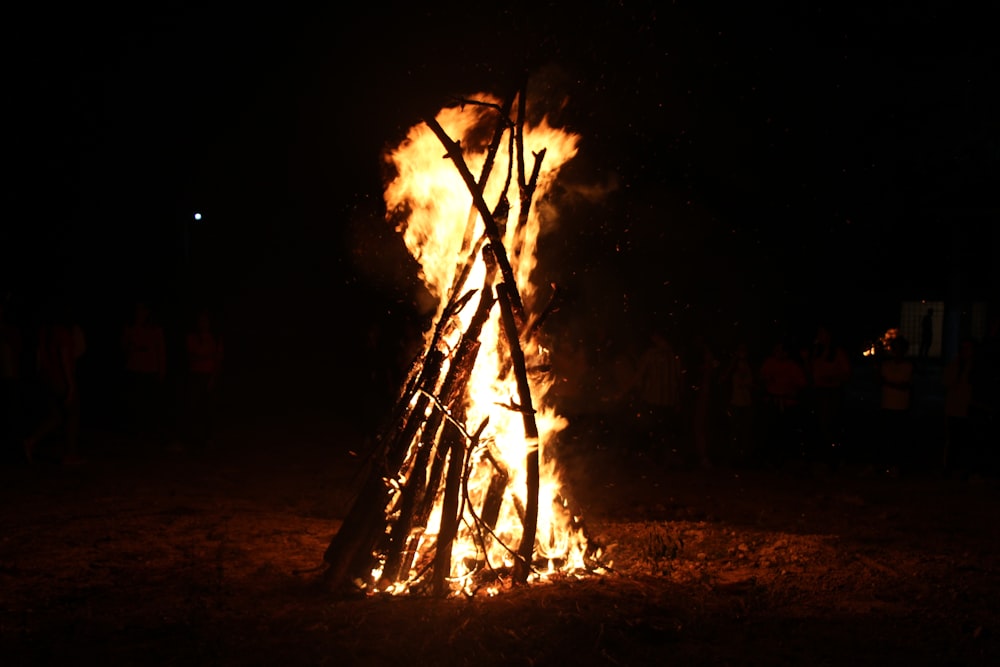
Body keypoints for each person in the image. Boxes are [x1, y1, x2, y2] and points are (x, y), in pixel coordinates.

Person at [23, 301, 86, 465]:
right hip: (60, 378)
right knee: (73, 414)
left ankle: (31, 441)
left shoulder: (45, 332)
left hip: (47, 377)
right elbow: (64, 357)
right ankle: (70, 455)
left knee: (56, 416)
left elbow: (39, 356)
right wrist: (71, 384)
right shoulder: (63, 333)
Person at [629, 328, 682, 460]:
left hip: (653, 399)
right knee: (667, 431)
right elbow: (680, 378)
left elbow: (639, 376)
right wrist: (679, 399)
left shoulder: (651, 354)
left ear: (656, 337)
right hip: (670, 400)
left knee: (655, 430)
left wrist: (626, 390)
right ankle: (667, 458)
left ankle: (658, 459)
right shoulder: (675, 355)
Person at [122, 301, 167, 447]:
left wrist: (162, 369)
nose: (140, 313)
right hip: (134, 368)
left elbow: (161, 350)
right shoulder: (129, 328)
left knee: (150, 401)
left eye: (142, 310)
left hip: (150, 369)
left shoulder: (155, 329)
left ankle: (151, 430)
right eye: (137, 310)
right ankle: (137, 430)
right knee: (136, 401)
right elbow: (123, 347)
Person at [759, 339, 808, 467]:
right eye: (776, 349)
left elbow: (802, 383)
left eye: (781, 350)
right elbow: (762, 378)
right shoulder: (769, 363)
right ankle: (770, 458)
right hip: (773, 402)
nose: (778, 352)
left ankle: (785, 459)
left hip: (787, 404)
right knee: (771, 431)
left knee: (785, 432)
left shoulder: (792, 366)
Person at [807, 325, 852, 463]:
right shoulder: (817, 352)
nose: (820, 336)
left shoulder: (837, 353)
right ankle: (821, 455)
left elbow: (847, 373)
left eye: (823, 333)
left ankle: (832, 458)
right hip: (819, 391)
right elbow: (812, 370)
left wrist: (831, 378)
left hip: (832, 392)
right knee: (819, 423)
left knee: (829, 424)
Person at [183, 309, 223, 450]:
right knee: (192, 406)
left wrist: (213, 378)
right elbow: (192, 355)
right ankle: (192, 438)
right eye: (201, 321)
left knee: (209, 408)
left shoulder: (215, 337)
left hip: (209, 375)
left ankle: (208, 438)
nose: (203, 323)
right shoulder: (192, 337)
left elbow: (218, 359)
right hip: (195, 375)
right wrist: (205, 355)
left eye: (205, 321)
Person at [876, 334, 914, 475]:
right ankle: (886, 464)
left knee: (899, 438)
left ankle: (898, 465)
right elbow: (880, 381)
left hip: (901, 407)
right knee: (887, 437)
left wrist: (888, 383)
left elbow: (905, 385)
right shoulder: (886, 365)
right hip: (887, 405)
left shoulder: (907, 366)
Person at [720, 341, 756, 467]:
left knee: (745, 432)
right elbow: (724, 378)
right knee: (734, 431)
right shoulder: (732, 366)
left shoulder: (750, 365)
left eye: (744, 349)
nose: (742, 353)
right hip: (735, 402)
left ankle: (744, 459)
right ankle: (732, 459)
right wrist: (733, 362)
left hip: (747, 403)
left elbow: (754, 383)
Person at [943, 338, 975, 475]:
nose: (965, 351)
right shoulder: (955, 365)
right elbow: (946, 381)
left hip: (968, 407)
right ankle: (951, 467)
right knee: (953, 440)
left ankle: (964, 468)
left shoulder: (974, 366)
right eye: (963, 348)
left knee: (966, 440)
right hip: (955, 407)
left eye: (968, 348)